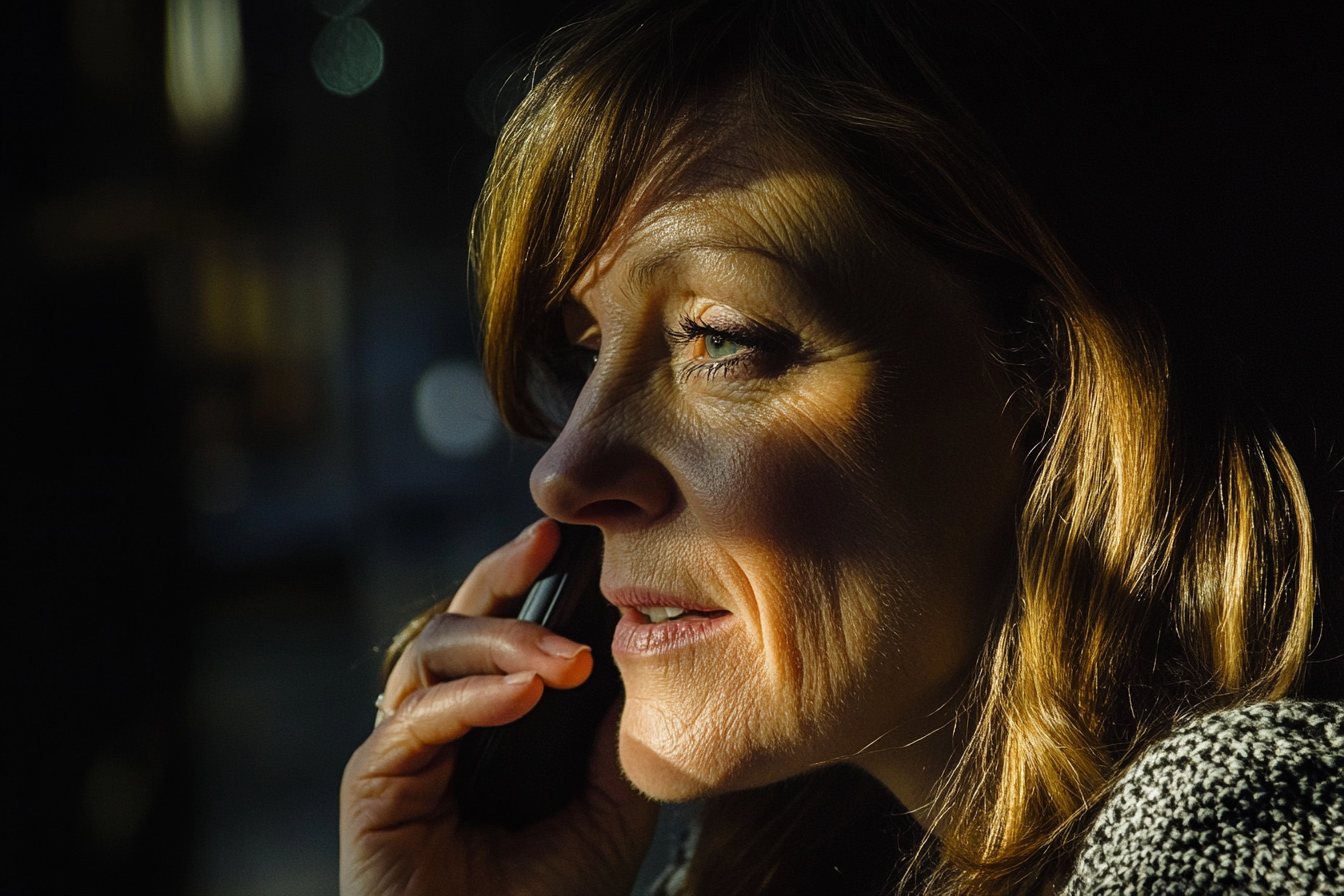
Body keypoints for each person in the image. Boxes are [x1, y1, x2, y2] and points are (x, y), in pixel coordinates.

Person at [340, 2, 1341, 894]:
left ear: (1057, 388)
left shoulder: (1246, 834)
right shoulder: (793, 860)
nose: (562, 475)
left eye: (721, 341)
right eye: (588, 351)